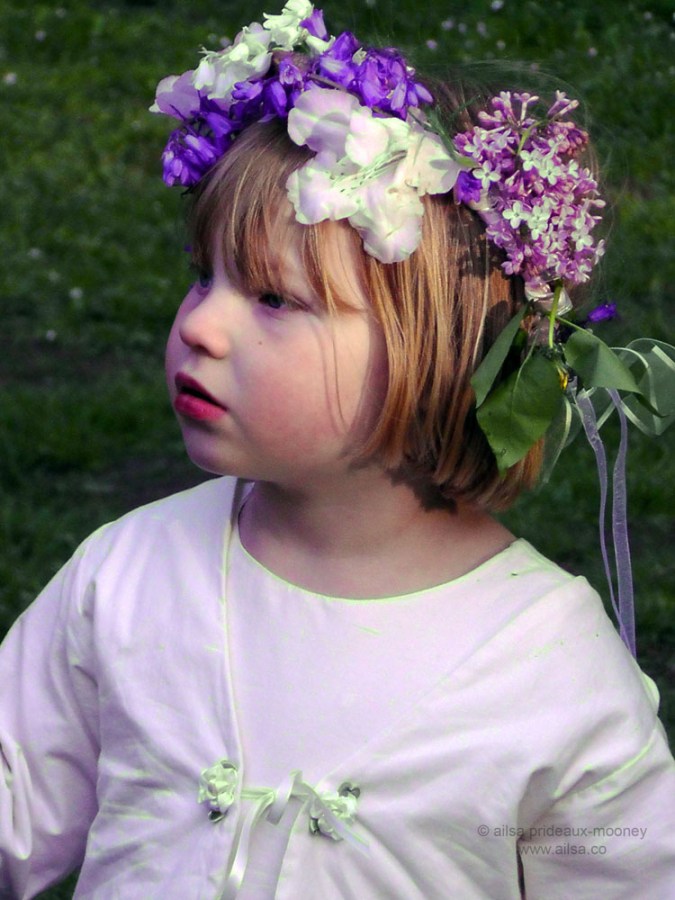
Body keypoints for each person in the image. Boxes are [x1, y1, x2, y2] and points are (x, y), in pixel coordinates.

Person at [1, 2, 674, 897]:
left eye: (273, 301)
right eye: (204, 276)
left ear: (434, 355)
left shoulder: (550, 670)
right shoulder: (125, 577)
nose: (199, 325)